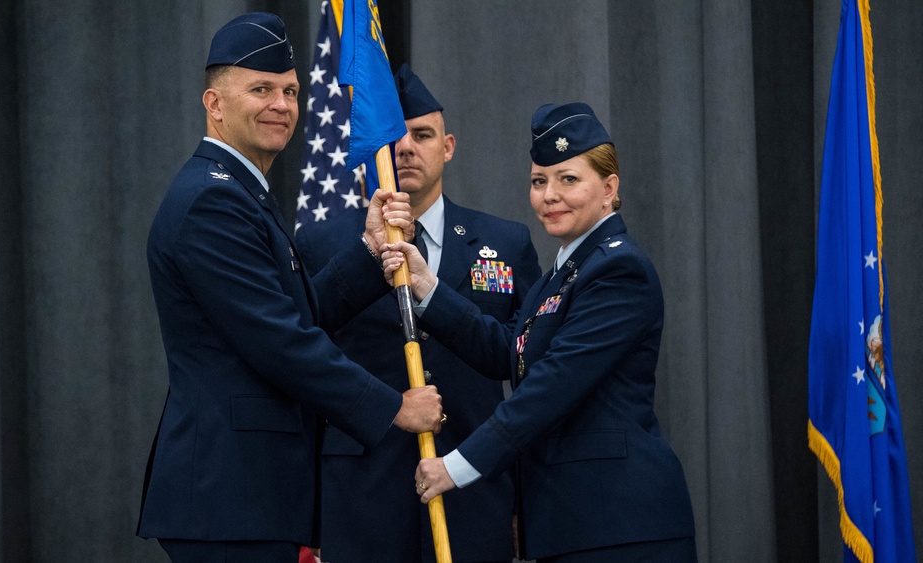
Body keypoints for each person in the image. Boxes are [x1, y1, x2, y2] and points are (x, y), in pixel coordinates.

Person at [136, 13, 443, 563]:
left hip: (248, 495)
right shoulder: (214, 202)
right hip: (228, 497)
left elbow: (296, 316)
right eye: (261, 89)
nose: (281, 104)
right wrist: (394, 407)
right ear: (215, 104)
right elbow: (281, 342)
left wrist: (372, 252)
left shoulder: (239, 192)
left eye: (291, 91)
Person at [383, 102, 697, 562]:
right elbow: (509, 352)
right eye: (539, 181)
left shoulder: (618, 268)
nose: (550, 195)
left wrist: (457, 466)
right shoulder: (565, 269)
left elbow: (551, 387)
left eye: (568, 179)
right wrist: (427, 286)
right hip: (573, 523)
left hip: (620, 524)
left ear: (609, 188)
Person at [295, 64, 541, 563]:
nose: (406, 147)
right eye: (393, 138)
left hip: (475, 491)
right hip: (359, 496)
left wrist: (525, 499)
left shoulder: (504, 242)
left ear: (446, 147)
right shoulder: (323, 244)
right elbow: (299, 353)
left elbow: (532, 372)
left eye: (422, 135)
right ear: (371, 150)